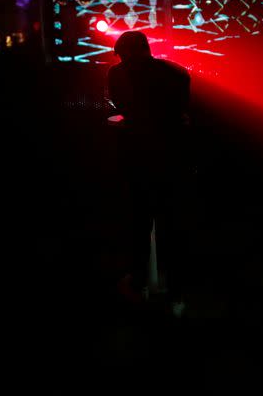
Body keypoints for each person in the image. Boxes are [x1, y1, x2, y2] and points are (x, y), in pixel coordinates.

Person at [107, 31, 191, 317]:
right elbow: (182, 111)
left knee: (140, 224)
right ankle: (176, 292)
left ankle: (141, 285)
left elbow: (122, 108)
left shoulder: (117, 74)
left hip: (138, 160)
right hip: (171, 160)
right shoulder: (176, 73)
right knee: (171, 225)